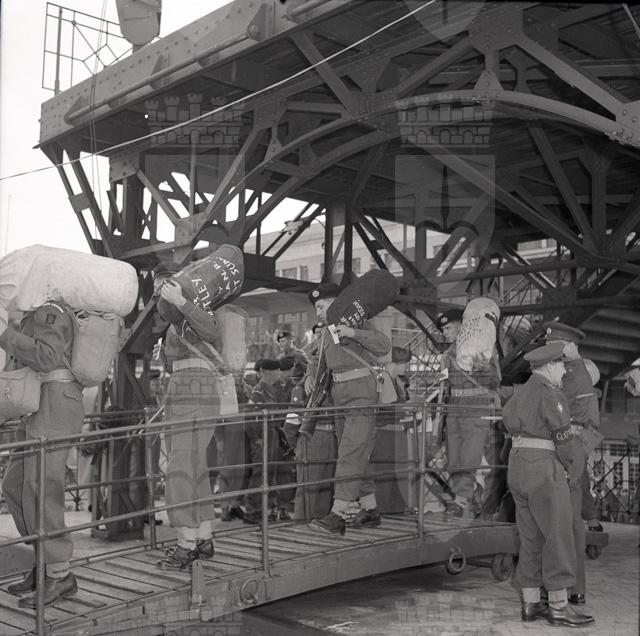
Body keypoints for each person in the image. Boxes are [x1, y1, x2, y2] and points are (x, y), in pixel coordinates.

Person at [502, 341, 594, 627]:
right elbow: (563, 441)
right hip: (543, 469)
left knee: (530, 538)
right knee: (558, 536)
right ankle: (558, 606)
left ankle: (530, 604)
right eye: (561, 367)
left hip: (517, 466)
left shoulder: (518, 393)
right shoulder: (551, 395)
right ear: (550, 366)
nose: (564, 372)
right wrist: (574, 470)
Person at [0, 301, 84, 606]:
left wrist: (5, 335)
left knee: (42, 488)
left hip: (56, 402)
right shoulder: (34, 312)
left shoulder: (52, 309)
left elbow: (46, 357)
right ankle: (43, 563)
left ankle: (60, 575)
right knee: (14, 485)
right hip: (38, 404)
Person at [152, 262, 223, 569]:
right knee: (194, 466)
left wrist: (182, 301)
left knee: (179, 467)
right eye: (158, 287)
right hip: (184, 389)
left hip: (193, 389)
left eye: (165, 284)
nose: (161, 292)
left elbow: (212, 331)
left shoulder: (193, 309)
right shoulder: (175, 323)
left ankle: (186, 543)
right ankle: (203, 537)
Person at [308, 285, 391, 535]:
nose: (318, 313)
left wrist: (353, 332)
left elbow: (383, 346)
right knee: (357, 451)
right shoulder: (326, 332)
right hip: (340, 395)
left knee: (350, 450)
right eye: (316, 308)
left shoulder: (359, 321)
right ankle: (370, 509)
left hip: (361, 392)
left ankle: (338, 513)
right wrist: (310, 375)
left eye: (321, 306)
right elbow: (320, 361)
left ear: (336, 303)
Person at [544, 322, 599, 605]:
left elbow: (552, 407)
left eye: (553, 346)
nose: (549, 351)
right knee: (568, 519)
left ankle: (569, 586)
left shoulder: (573, 375)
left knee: (567, 520)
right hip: (570, 445)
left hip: (568, 447)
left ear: (568, 347)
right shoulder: (575, 371)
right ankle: (573, 587)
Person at [436, 307, 501, 518]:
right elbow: (444, 387)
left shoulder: (482, 349)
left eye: (448, 328)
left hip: (476, 405)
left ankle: (461, 500)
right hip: (454, 407)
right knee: (454, 456)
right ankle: (471, 498)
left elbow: (496, 381)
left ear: (462, 326)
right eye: (443, 330)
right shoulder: (447, 355)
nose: (445, 333)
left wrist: (486, 368)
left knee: (470, 456)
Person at [287, 285, 338, 521]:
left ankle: (320, 523)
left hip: (331, 433)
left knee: (327, 487)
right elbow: (291, 424)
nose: (318, 312)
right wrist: (295, 446)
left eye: (321, 306)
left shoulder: (337, 334)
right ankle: (301, 525)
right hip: (312, 436)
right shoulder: (302, 387)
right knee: (309, 489)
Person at [244, 359, 294, 523]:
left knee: (269, 473)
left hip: (271, 435)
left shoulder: (269, 391)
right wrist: (257, 439)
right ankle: (251, 511)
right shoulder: (259, 392)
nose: (278, 374)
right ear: (267, 372)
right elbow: (249, 418)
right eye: (276, 371)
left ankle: (263, 509)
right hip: (263, 437)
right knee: (260, 474)